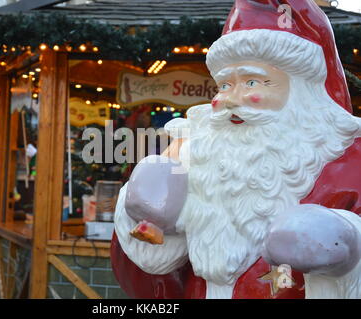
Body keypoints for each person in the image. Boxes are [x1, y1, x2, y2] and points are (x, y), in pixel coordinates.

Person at [111, 0, 361, 299]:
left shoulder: (348, 163)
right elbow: (156, 275)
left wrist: (346, 243)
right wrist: (140, 216)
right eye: (224, 85)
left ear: (302, 91)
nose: (229, 99)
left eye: (252, 81)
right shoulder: (196, 160)